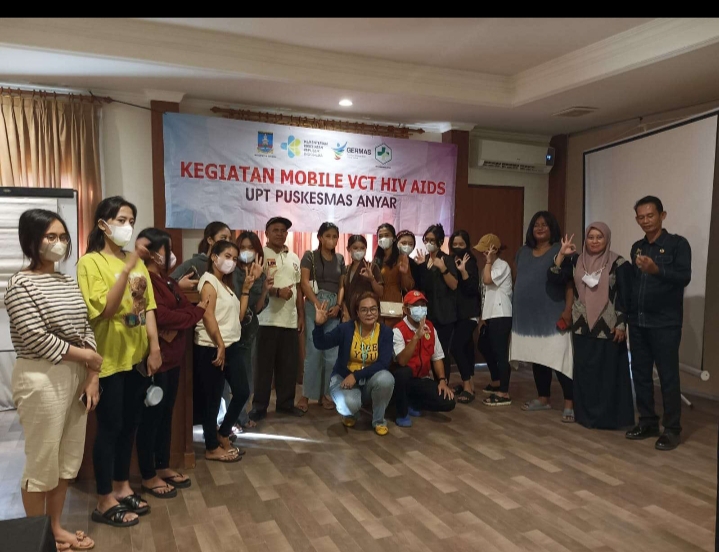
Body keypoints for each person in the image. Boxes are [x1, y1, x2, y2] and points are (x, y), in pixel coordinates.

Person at [5, 209, 100, 550]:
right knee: (42, 460)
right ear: (31, 240)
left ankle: (56, 528)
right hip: (41, 378)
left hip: (76, 375)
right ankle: (39, 538)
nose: (58, 243)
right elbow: (35, 338)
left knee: (66, 458)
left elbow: (85, 326)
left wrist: (92, 373)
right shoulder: (20, 284)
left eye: (62, 237)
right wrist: (88, 357)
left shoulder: (66, 281)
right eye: (50, 237)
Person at [77, 196, 162, 528]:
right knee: (109, 428)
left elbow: (147, 307)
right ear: (103, 224)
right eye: (122, 220)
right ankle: (103, 499)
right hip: (108, 360)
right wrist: (126, 269)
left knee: (130, 425)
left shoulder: (136, 263)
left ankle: (122, 485)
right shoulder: (90, 263)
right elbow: (107, 310)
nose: (128, 227)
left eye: (131, 221)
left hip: (136, 358)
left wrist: (154, 347)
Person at [134, 228, 208, 498]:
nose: (172, 255)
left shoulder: (167, 280)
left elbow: (183, 310)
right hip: (155, 361)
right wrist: (194, 314)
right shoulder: (144, 279)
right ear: (155, 253)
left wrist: (188, 316)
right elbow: (161, 316)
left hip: (174, 359)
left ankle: (162, 465)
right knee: (151, 419)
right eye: (168, 250)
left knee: (166, 416)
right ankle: (148, 475)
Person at [549, 223, 634, 429]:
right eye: (591, 237)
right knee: (585, 372)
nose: (594, 241)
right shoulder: (576, 261)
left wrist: (622, 324)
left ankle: (609, 419)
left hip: (609, 326)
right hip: (582, 326)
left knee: (608, 374)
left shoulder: (619, 264)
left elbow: (625, 297)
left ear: (607, 239)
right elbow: (554, 278)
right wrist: (561, 255)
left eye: (599, 237)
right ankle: (585, 416)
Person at [626, 196, 691, 451]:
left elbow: (684, 277)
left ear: (662, 215)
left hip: (665, 323)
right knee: (641, 374)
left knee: (668, 377)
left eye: (650, 215)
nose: (645, 221)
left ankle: (672, 429)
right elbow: (634, 283)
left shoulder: (678, 245)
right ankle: (648, 422)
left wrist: (657, 270)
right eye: (641, 217)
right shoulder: (637, 247)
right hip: (638, 321)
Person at [195, 239, 258, 462]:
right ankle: (211, 447)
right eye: (227, 256)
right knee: (212, 400)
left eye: (234, 258)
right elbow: (207, 315)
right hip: (212, 346)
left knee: (242, 391)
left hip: (230, 345)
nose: (231, 262)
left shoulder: (225, 285)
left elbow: (238, 317)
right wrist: (220, 344)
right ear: (214, 257)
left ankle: (223, 433)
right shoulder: (209, 282)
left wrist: (246, 290)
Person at [510, 211, 575, 422]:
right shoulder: (522, 252)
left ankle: (570, 403)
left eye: (544, 225)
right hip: (528, 316)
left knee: (561, 358)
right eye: (536, 224)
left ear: (552, 228)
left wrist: (568, 309)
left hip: (553, 315)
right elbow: (519, 279)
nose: (540, 228)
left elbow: (569, 284)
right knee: (538, 356)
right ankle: (543, 398)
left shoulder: (560, 250)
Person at [313, 292, 395, 435]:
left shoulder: (386, 332)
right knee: (348, 405)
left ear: (378, 310)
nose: (369, 313)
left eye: (373, 309)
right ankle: (351, 413)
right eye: (364, 310)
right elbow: (321, 343)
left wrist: (356, 376)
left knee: (386, 378)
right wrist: (319, 325)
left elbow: (383, 363)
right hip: (343, 378)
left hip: (367, 380)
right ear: (357, 312)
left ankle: (379, 421)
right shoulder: (346, 329)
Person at [250, 217, 305, 420]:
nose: (280, 234)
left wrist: (300, 315)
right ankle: (259, 407)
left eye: (283, 231)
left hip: (289, 321)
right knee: (263, 367)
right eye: (276, 230)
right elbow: (258, 286)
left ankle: (285, 404)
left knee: (288, 366)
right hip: (266, 320)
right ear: (266, 233)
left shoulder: (294, 257)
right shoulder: (260, 255)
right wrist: (276, 292)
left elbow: (298, 288)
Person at [297, 222, 345, 412]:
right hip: (314, 304)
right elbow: (304, 283)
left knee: (331, 354)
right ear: (320, 237)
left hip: (333, 307)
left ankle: (326, 394)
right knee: (314, 351)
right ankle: (306, 395)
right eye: (328, 236)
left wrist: (338, 306)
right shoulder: (310, 256)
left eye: (335, 236)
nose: (331, 240)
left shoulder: (340, 259)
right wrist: (318, 305)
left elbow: (342, 286)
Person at [392, 291, 456, 427]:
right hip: (403, 380)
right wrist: (416, 337)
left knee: (448, 402)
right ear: (405, 310)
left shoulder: (430, 327)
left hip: (422, 379)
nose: (420, 309)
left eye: (423, 305)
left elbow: (437, 357)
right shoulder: (398, 330)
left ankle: (413, 402)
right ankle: (401, 413)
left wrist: (442, 380)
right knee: (403, 373)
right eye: (415, 306)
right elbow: (402, 361)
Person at [229, 231, 271, 431]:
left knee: (247, 378)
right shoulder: (232, 272)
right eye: (242, 247)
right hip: (231, 331)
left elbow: (258, 308)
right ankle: (231, 420)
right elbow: (238, 302)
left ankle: (241, 416)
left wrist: (264, 289)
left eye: (250, 248)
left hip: (250, 331)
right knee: (232, 380)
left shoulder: (261, 272)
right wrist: (251, 281)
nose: (246, 251)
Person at [473, 234, 514, 407]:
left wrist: (489, 262)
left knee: (500, 353)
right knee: (484, 345)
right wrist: (482, 317)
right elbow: (484, 293)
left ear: (494, 250)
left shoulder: (502, 265)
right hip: (490, 315)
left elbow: (488, 280)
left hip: (501, 314)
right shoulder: (488, 267)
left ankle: (504, 392)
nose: (483, 254)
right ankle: (496, 381)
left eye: (486, 250)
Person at [415, 223, 458, 379]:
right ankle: (432, 382)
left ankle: (443, 382)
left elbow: (454, 285)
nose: (428, 243)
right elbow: (423, 286)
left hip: (445, 314)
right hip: (428, 313)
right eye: (426, 240)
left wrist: (443, 269)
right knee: (428, 349)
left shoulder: (446, 259)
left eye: (432, 240)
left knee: (442, 351)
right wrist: (421, 267)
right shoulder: (424, 259)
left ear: (440, 242)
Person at [448, 229, 481, 404]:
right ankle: (470, 384)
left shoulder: (470, 261)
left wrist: (463, 272)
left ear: (467, 244)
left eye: (461, 244)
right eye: (455, 244)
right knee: (467, 348)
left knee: (456, 346)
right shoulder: (452, 260)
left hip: (469, 313)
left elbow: (472, 289)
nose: (458, 247)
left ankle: (468, 386)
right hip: (458, 314)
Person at [170, 221, 232, 292]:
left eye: (230, 239)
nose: (228, 242)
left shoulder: (231, 265)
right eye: (223, 238)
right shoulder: (193, 263)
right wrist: (179, 285)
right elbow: (167, 284)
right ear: (210, 240)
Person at [373, 223, 414, 327]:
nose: (383, 238)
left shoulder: (401, 258)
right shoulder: (376, 259)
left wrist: (404, 273)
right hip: (377, 302)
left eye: (387, 235)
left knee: (392, 332)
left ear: (394, 238)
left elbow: (408, 286)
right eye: (380, 236)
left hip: (393, 302)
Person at [342, 234, 384, 321]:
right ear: (348, 249)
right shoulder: (346, 269)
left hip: (367, 313)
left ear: (366, 249)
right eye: (355, 248)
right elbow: (343, 295)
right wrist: (345, 312)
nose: (359, 251)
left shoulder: (372, 267)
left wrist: (371, 279)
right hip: (349, 315)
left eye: (362, 248)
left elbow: (380, 292)